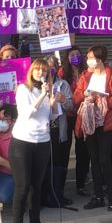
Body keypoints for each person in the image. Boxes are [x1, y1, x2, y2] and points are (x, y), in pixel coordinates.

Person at [73, 45, 112, 211]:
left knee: (104, 159)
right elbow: (76, 96)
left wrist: (101, 100)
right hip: (89, 122)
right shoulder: (86, 75)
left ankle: (111, 195)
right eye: (88, 57)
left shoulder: (111, 75)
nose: (89, 60)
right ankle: (98, 196)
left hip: (105, 123)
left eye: (91, 57)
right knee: (94, 160)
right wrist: (86, 95)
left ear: (100, 59)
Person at [10, 60, 60, 223]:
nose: (41, 73)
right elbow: (26, 113)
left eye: (44, 71)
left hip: (43, 141)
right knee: (23, 186)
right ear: (31, 72)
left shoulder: (46, 91)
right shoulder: (24, 89)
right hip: (23, 142)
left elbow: (52, 117)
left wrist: (54, 102)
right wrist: (42, 96)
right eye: (37, 70)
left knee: (36, 187)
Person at [42, 58, 74, 208]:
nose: (49, 69)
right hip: (44, 130)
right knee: (46, 163)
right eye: (46, 67)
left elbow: (70, 106)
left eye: (52, 66)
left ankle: (58, 195)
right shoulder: (40, 87)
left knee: (60, 162)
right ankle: (46, 195)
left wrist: (63, 100)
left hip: (59, 129)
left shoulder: (63, 84)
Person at [59, 46, 90, 196]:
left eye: (78, 54)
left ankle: (81, 184)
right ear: (67, 58)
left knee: (82, 150)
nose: (76, 57)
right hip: (67, 116)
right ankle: (60, 185)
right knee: (64, 150)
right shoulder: (62, 73)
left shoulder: (86, 72)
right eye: (72, 55)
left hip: (82, 115)